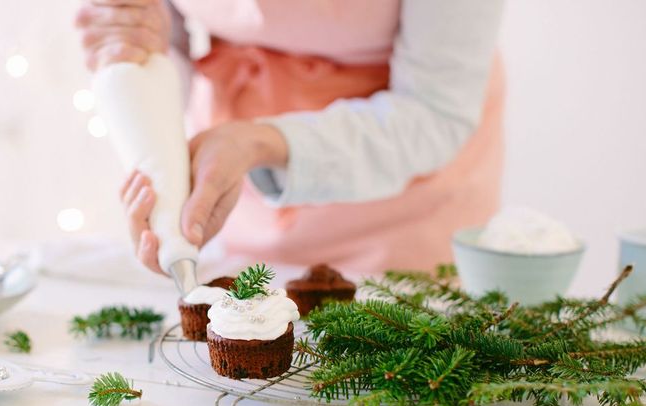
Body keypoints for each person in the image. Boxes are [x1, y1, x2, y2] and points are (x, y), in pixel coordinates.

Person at [76, 0, 505, 274]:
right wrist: (134, 45)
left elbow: (436, 111)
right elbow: (164, 41)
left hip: (403, 202)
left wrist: (262, 143)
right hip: (233, 184)